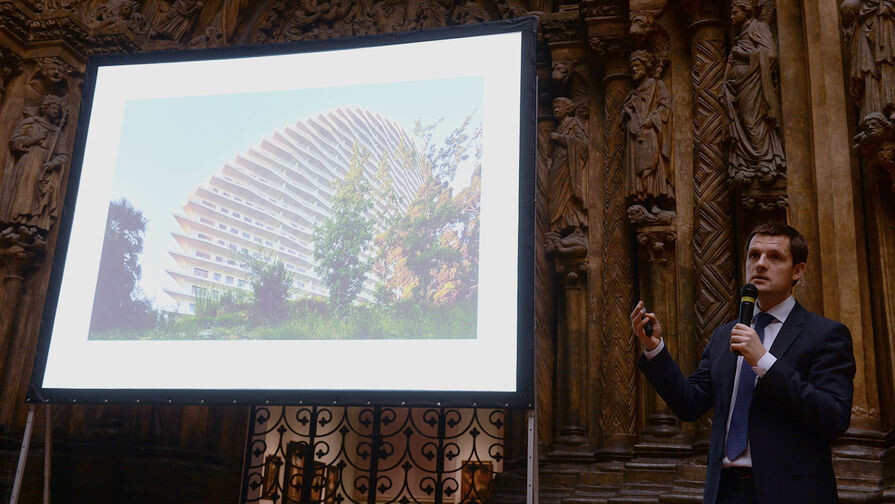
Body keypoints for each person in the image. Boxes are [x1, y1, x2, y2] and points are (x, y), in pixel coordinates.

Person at [631, 223, 855, 504]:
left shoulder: (825, 334)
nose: (760, 264)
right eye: (754, 255)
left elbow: (833, 417)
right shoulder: (726, 334)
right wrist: (655, 349)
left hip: (793, 492)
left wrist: (763, 361)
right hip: (726, 491)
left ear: (797, 270)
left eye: (774, 257)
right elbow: (691, 405)